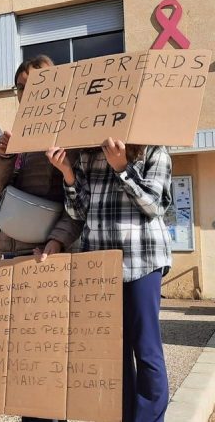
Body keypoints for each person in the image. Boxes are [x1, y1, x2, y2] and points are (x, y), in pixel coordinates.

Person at [47, 140, 172, 422]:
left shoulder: (155, 150)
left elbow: (153, 205)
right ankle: (121, 416)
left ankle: (149, 418)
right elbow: (79, 211)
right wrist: (67, 172)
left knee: (147, 348)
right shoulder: (91, 154)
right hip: (100, 264)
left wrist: (122, 168)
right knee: (112, 353)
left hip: (143, 260)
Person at [0, 55, 78, 422]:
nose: (28, 94)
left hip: (52, 255)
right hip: (15, 252)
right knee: (24, 351)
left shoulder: (73, 136)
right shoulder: (15, 138)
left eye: (36, 86)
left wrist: (57, 242)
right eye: (22, 88)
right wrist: (2, 157)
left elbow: (79, 203)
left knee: (55, 351)